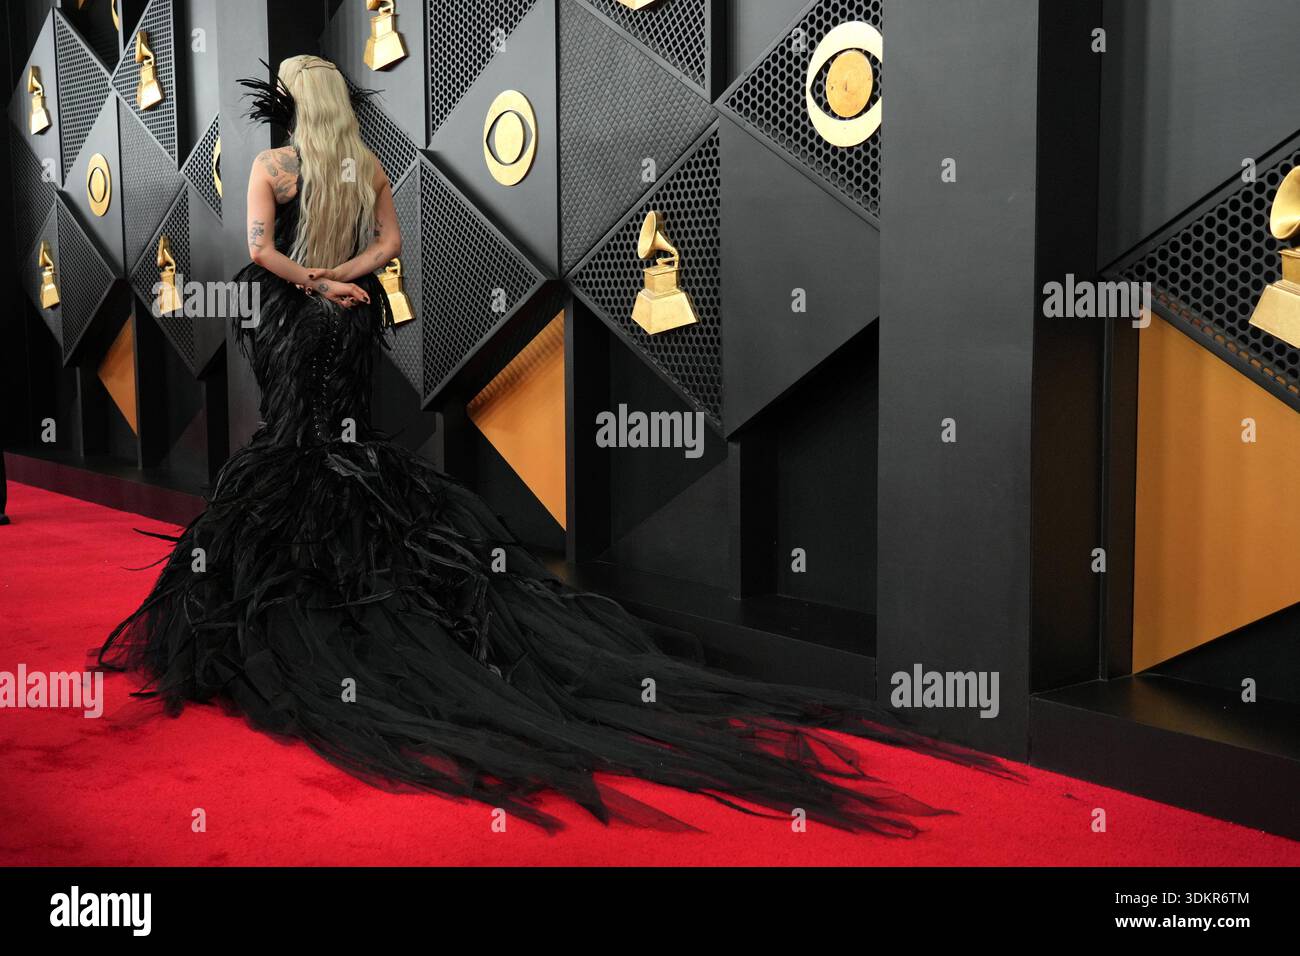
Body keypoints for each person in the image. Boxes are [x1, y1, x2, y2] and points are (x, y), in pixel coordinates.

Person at [100, 55, 1001, 834]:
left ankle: (307, 604)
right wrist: (350, 283)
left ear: (295, 101)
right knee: (350, 442)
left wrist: (312, 282)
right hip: (353, 319)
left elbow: (258, 252)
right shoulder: (365, 165)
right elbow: (391, 244)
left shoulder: (274, 165)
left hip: (299, 318)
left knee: (297, 441)